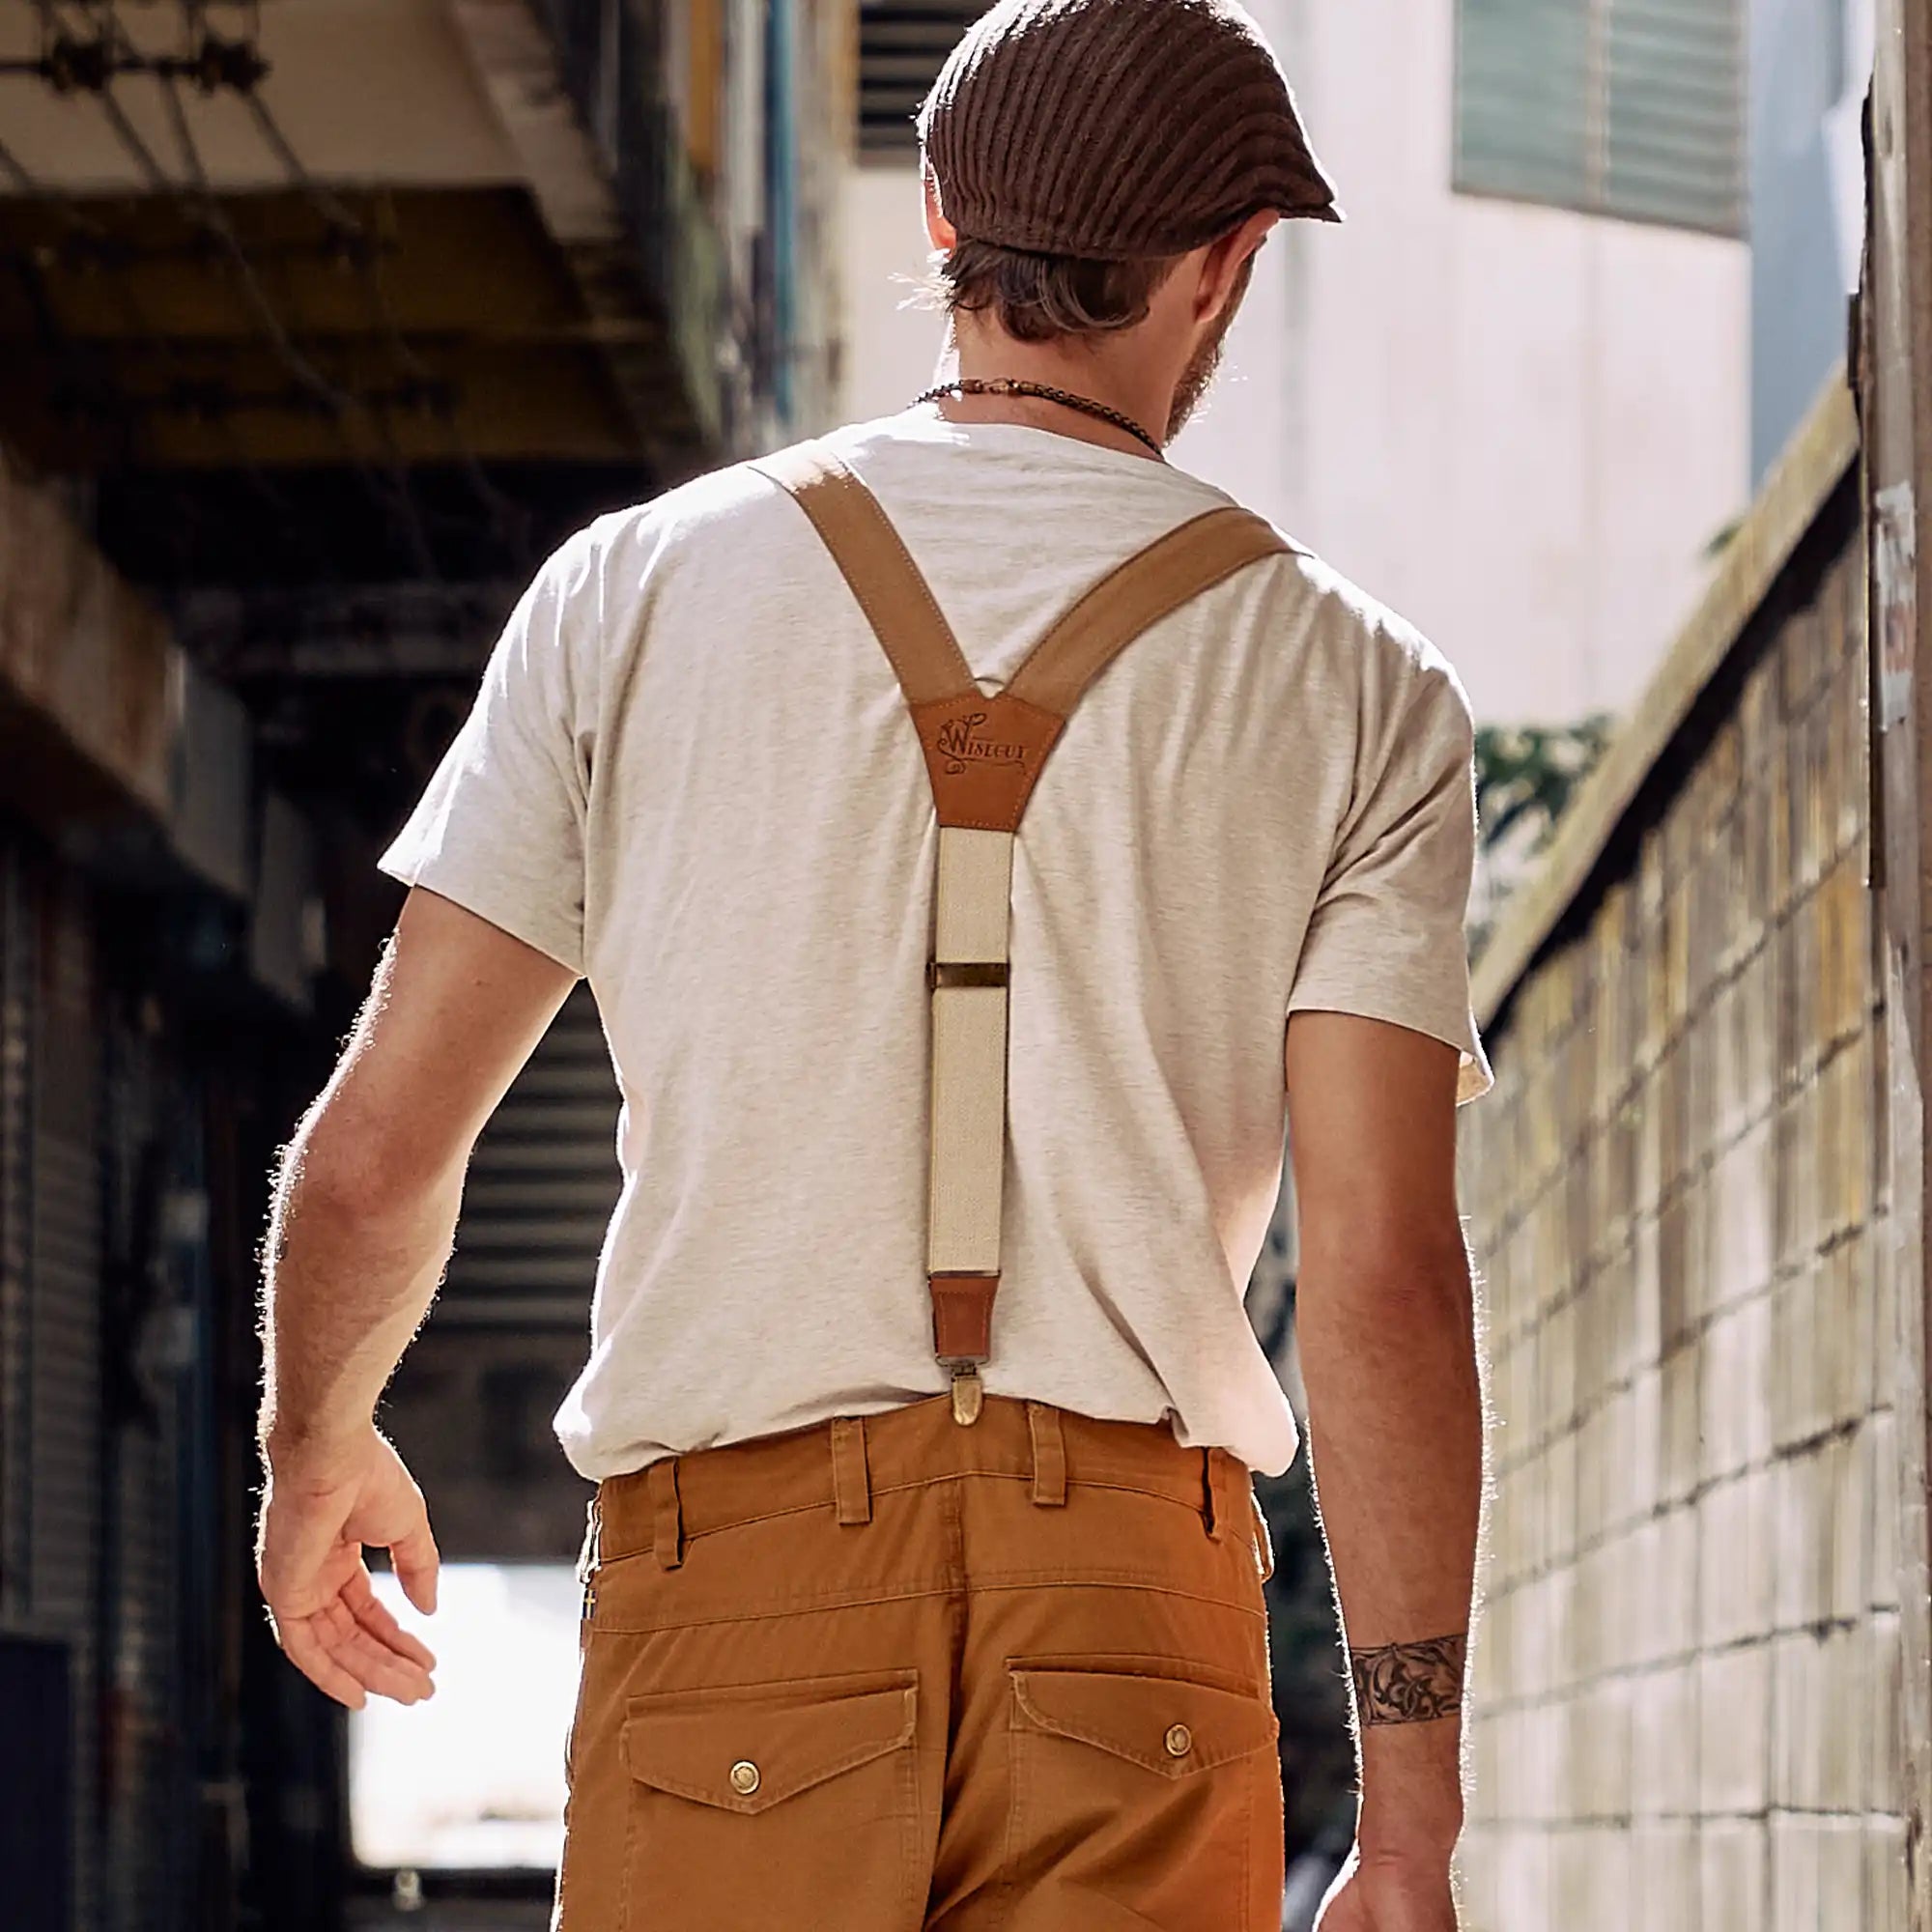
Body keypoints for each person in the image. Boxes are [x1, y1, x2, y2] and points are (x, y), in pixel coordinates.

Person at [253, 1, 1491, 1926]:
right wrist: (1408, 1826)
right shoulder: (1355, 688)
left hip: (735, 1610)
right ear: (1223, 265)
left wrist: (313, 1441)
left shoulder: (631, 592)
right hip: (1130, 1635)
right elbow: (1387, 1281)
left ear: (935, 221)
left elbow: (375, 1155)